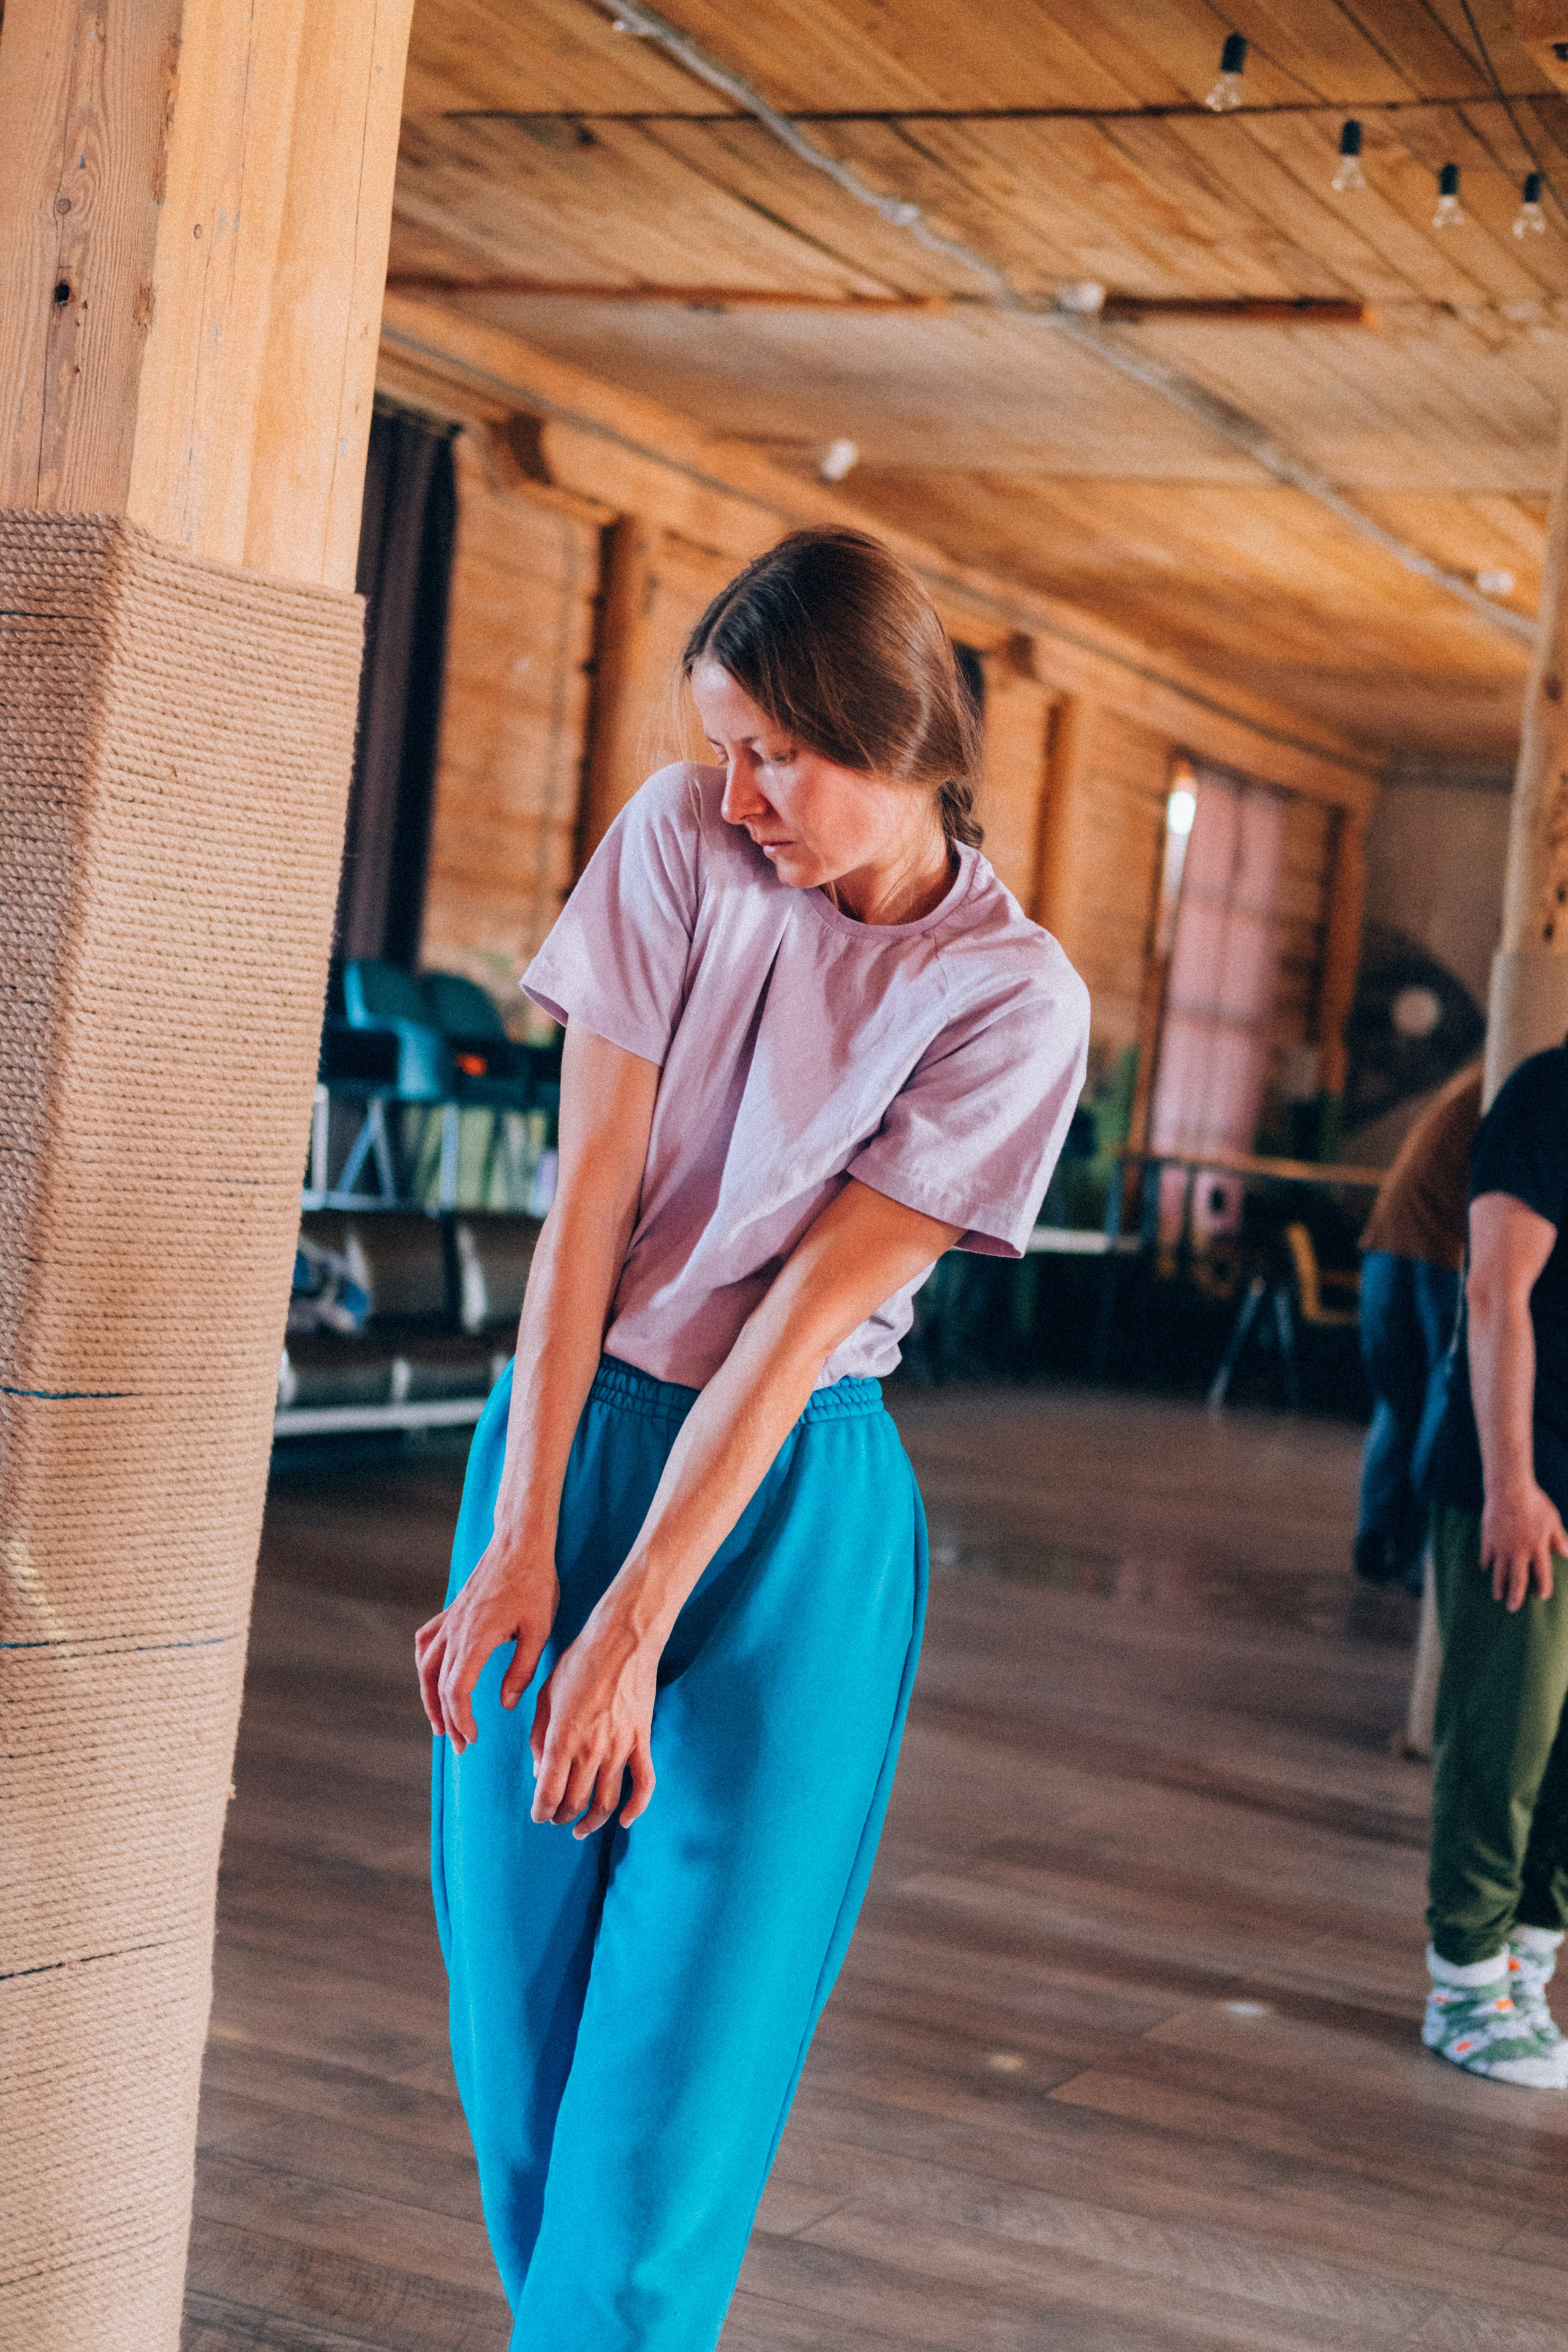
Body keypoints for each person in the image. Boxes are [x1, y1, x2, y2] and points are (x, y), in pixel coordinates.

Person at [415, 528, 1090, 2345]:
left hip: (791, 1508)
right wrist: (523, 1540)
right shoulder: (677, 839)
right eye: (723, 746)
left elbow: (795, 1326)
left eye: (775, 754)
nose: (737, 793)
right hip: (565, 1439)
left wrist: (631, 1620)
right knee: (520, 2055)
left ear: (901, 740)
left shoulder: (1012, 999)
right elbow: (587, 1197)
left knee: (668, 2103)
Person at [1422, 1038, 1568, 2087]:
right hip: (1528, 1480)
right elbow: (1495, 1293)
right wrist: (1510, 1484)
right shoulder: (1550, 1095)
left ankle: (1527, 1970)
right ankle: (1466, 1989)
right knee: (1503, 1744)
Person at [1354, 1061, 1482, 1593]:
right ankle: (1416, 1558)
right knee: (1444, 1401)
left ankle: (1376, 1534)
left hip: (1386, 1247)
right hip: (1444, 1256)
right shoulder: (1514, 1078)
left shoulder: (1470, 1082)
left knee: (1397, 1403)